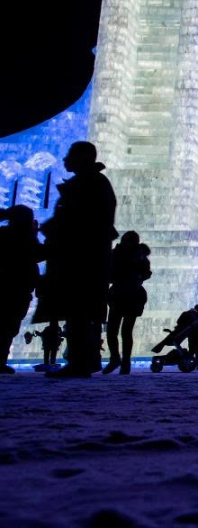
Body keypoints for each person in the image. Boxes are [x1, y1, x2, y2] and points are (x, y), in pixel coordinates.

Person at [42, 142, 118, 378]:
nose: (64, 160)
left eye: (69, 156)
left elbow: (83, 221)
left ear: (82, 158)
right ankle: (79, 361)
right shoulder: (88, 183)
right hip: (80, 256)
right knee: (78, 313)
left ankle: (79, 362)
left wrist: (54, 229)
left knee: (79, 312)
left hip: (82, 258)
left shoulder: (91, 184)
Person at [0, 206, 43, 374]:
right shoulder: (22, 237)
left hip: (16, 286)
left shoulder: (7, 234)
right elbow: (36, 254)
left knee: (8, 324)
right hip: (16, 286)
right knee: (8, 325)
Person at [102, 231, 152, 375]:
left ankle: (118, 359)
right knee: (122, 331)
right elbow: (146, 272)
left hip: (121, 294)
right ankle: (123, 361)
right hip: (130, 294)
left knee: (116, 330)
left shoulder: (117, 253)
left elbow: (110, 272)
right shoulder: (139, 255)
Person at [178, 304, 198, 370]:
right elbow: (196, 322)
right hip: (195, 336)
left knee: (194, 351)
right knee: (196, 351)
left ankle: (196, 364)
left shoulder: (191, 313)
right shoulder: (193, 314)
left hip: (193, 336)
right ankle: (190, 364)